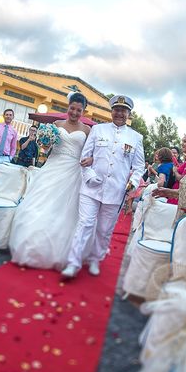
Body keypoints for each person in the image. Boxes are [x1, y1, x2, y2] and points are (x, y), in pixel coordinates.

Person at [62, 95, 145, 278]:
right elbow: (85, 156)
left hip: (116, 191)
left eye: (123, 111)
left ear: (128, 114)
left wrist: (133, 181)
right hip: (91, 188)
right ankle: (73, 263)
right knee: (85, 224)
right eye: (116, 110)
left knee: (104, 230)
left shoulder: (136, 137)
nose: (119, 114)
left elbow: (139, 167)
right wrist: (89, 175)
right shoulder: (98, 130)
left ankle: (94, 259)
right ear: (112, 111)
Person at [9, 93, 91, 269]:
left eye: (79, 110)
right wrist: (44, 144)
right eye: (72, 108)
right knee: (40, 203)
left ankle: (59, 251)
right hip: (53, 166)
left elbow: (90, 154)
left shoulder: (87, 131)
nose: (75, 112)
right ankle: (30, 244)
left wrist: (89, 160)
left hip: (73, 172)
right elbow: (46, 148)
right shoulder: (56, 125)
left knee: (64, 211)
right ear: (67, 107)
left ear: (84, 111)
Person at [167, 134, 186, 205]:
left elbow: (183, 179)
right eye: (182, 141)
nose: (182, 144)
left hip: (178, 197)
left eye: (185, 141)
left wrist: (175, 171)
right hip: (176, 194)